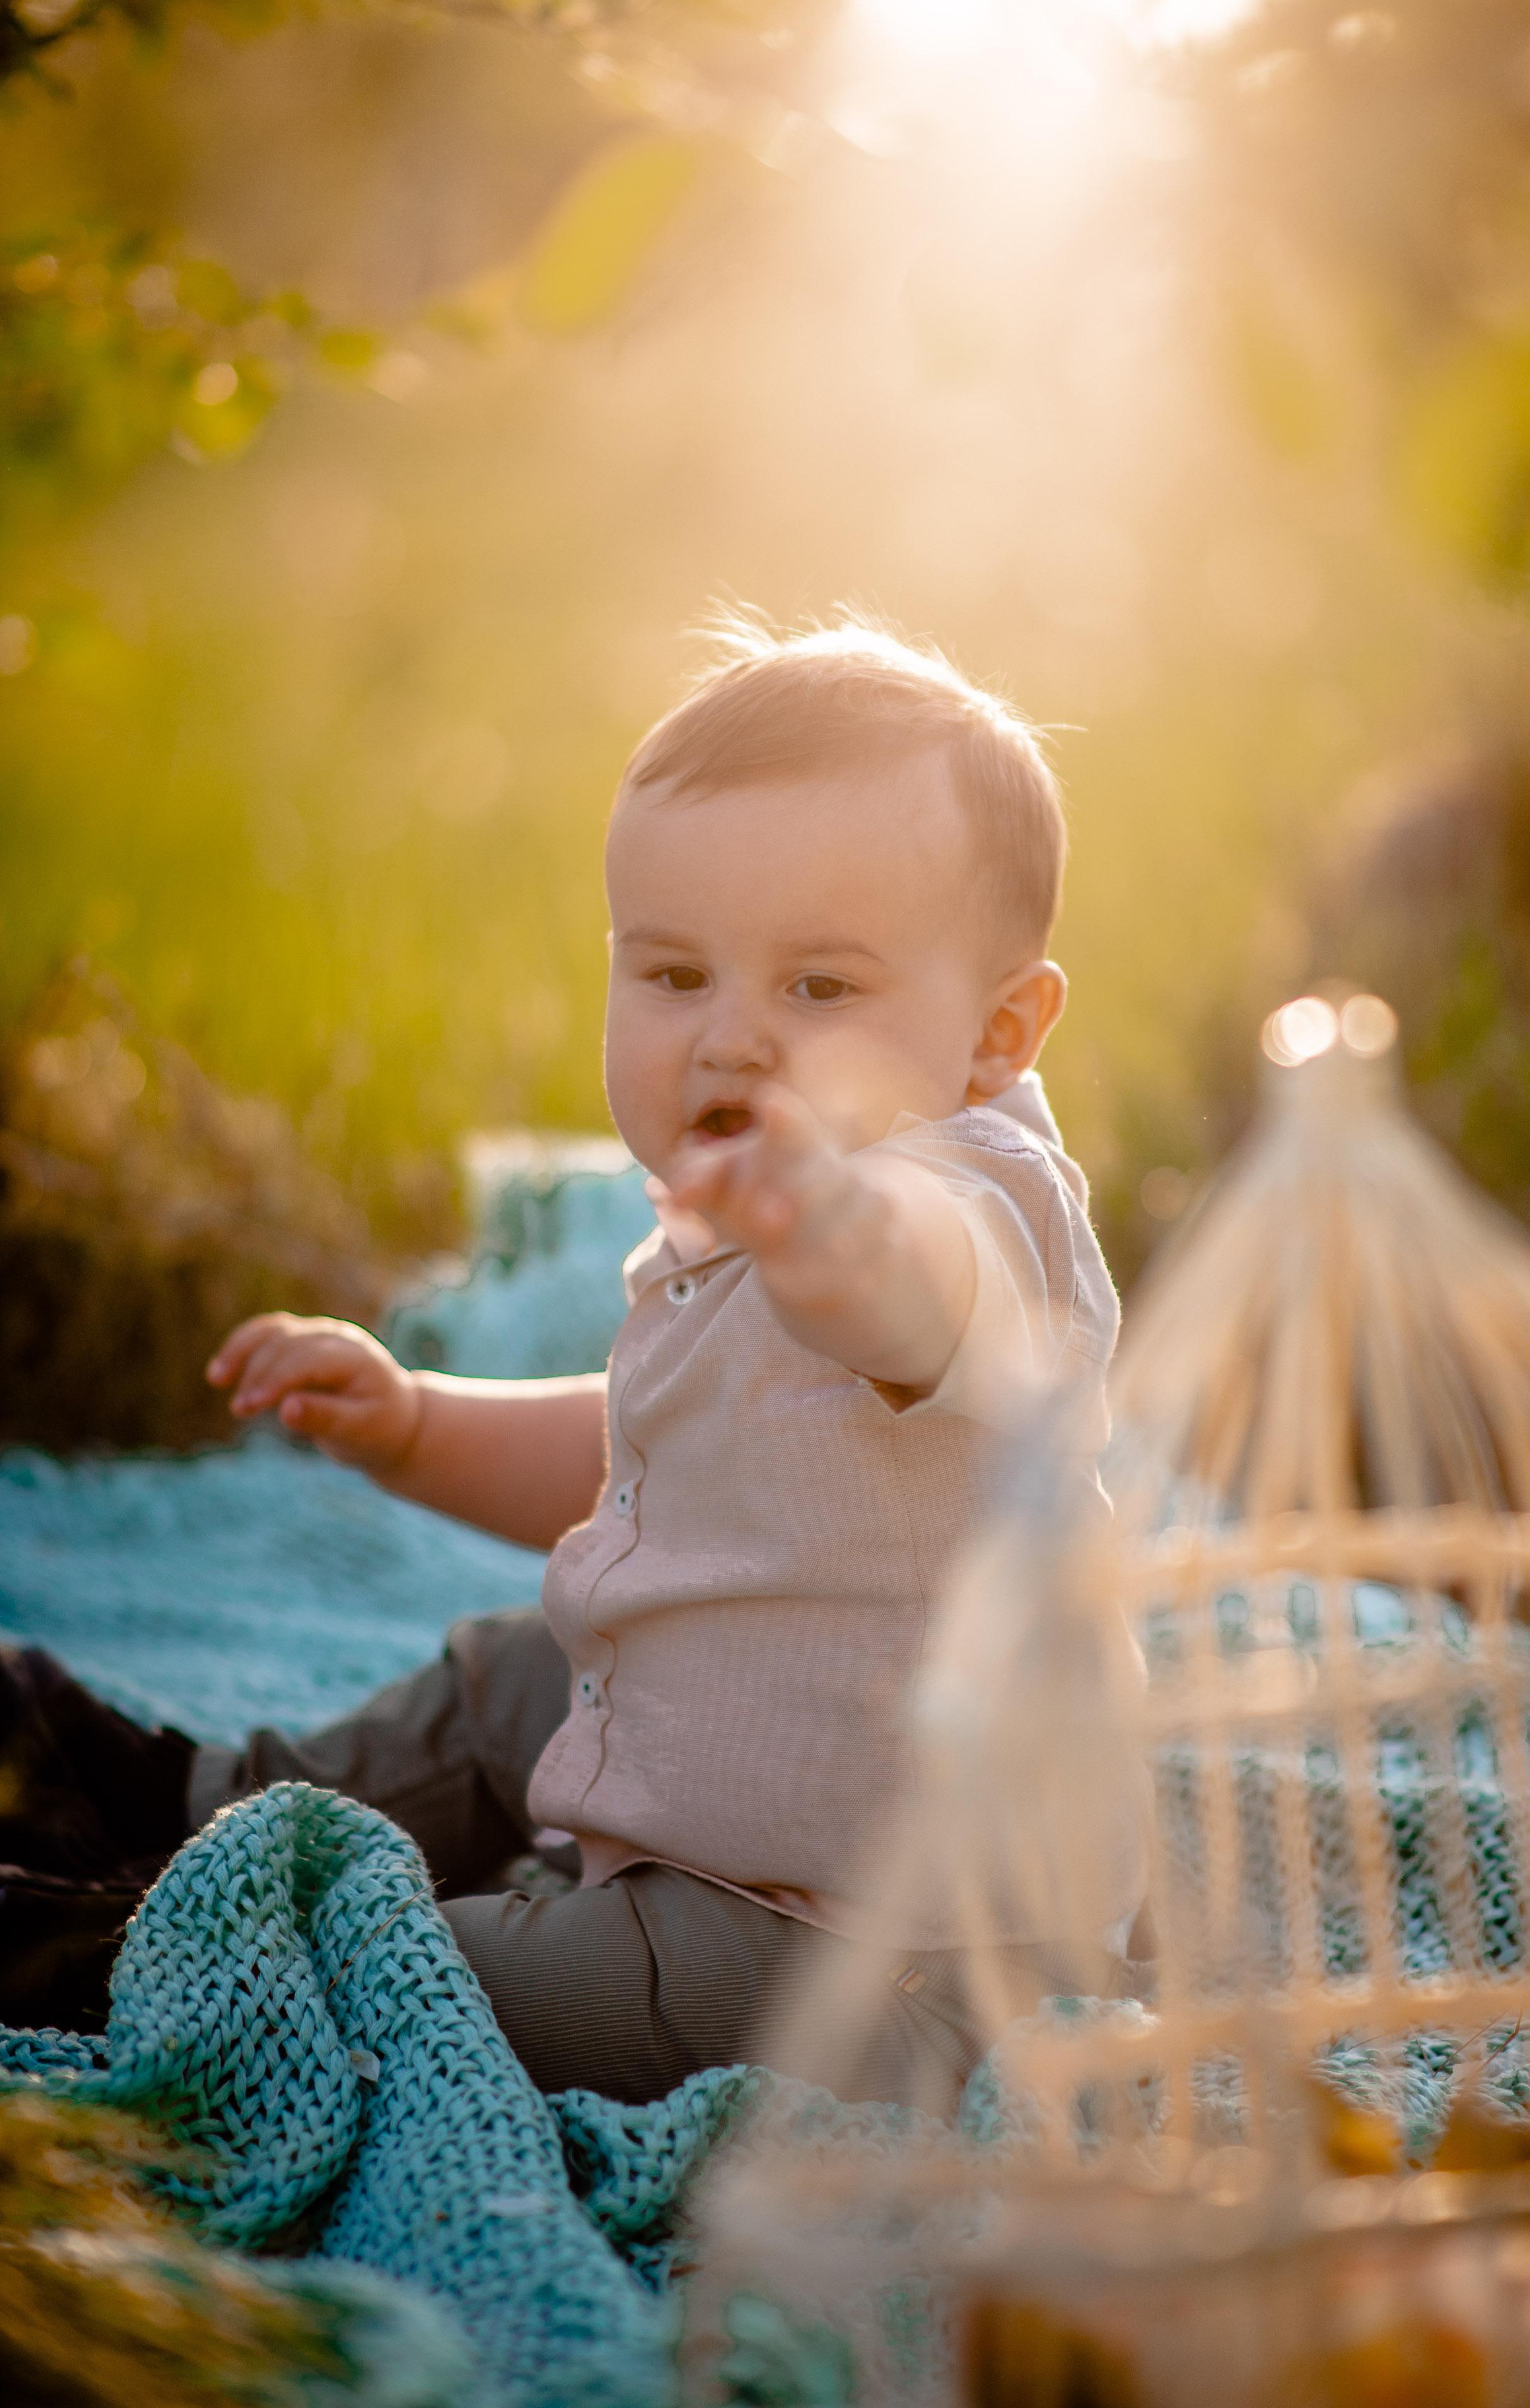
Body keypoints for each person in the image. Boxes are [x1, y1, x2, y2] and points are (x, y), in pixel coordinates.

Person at [0, 617, 1120, 2104]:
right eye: (673, 976)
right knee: (510, 1673)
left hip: (864, 1957)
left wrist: (829, 1231)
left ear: (995, 1037)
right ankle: (189, 1795)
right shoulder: (750, 1220)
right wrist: (413, 1422)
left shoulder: (969, 1211)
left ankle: (120, 1950)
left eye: (818, 991)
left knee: (431, 1972)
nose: (730, 1040)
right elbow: (649, 1472)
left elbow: (917, 1302)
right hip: (730, 1807)